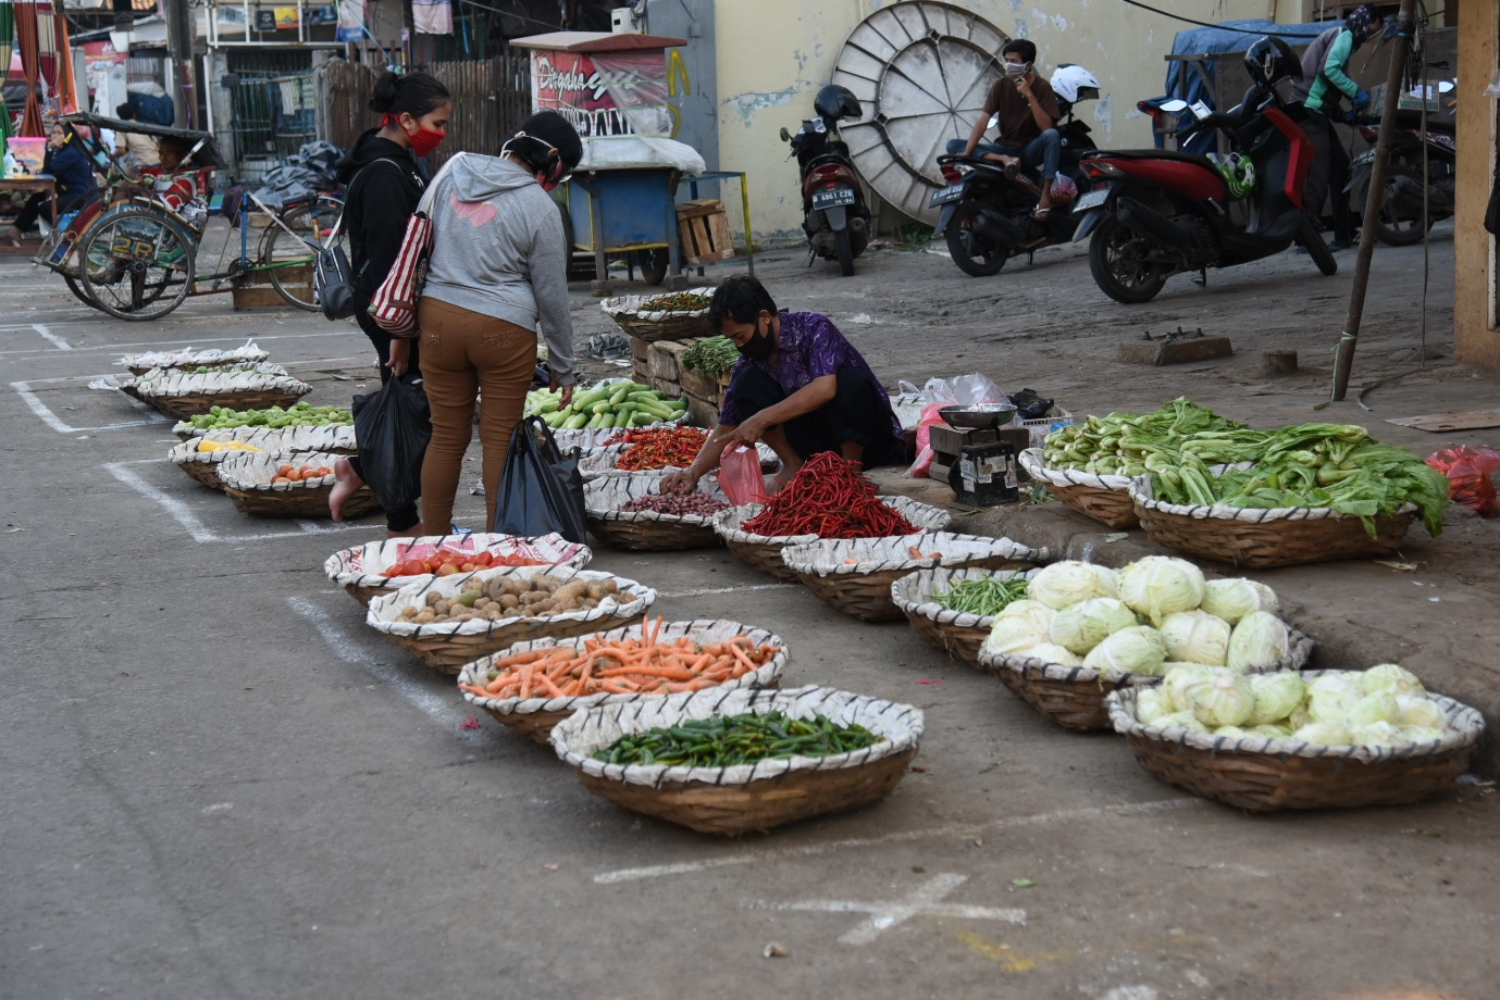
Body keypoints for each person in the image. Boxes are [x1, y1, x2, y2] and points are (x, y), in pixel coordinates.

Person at [398, 110, 581, 535]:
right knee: (500, 441)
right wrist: (562, 364)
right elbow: (552, 297)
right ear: (551, 160)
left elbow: (417, 242)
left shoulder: (453, 170)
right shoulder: (541, 207)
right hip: (504, 329)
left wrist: (405, 332)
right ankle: (499, 546)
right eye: (563, 173)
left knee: (446, 437)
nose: (558, 181)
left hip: (437, 321)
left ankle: (434, 540)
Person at [328, 70, 452, 536]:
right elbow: (385, 261)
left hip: (393, 307)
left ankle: (360, 469)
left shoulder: (395, 159)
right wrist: (400, 333)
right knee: (412, 412)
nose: (441, 135)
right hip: (388, 308)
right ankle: (401, 524)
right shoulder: (383, 173)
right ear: (405, 119)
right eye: (437, 124)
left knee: (414, 407)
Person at [662, 275, 906, 496]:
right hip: (815, 445)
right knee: (747, 384)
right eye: (733, 340)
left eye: (741, 336)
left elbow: (825, 388)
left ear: (764, 318)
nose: (739, 346)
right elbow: (728, 426)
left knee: (849, 381)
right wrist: (693, 471)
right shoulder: (751, 360)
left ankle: (850, 471)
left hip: (867, 439)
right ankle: (793, 464)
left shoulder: (814, 328)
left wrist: (762, 418)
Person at [1293, 4, 1382, 251]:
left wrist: (1345, 115)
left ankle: (1343, 235)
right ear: (1363, 22)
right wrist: (1356, 93)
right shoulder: (1344, 36)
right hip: (1309, 111)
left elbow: (1327, 84)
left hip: (1316, 111)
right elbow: (1328, 70)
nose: (1369, 37)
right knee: (1319, 175)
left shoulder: (1342, 39)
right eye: (1371, 30)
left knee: (1341, 170)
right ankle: (1305, 238)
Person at [947, 39, 1063, 220]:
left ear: (1028, 65)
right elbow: (983, 120)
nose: (1009, 65)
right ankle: (1005, 159)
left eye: (1014, 62)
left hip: (1030, 149)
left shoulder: (1042, 87)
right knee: (953, 145)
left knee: (1052, 135)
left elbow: (1046, 127)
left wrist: (1029, 96)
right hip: (1004, 148)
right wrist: (968, 152)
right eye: (1007, 60)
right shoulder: (1001, 85)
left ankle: (1045, 195)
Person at [2, 122, 98, 246]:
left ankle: (69, 233)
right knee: (36, 198)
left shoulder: (71, 152)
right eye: (53, 133)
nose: (55, 136)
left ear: (68, 136)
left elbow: (49, 169)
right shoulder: (64, 151)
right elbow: (48, 169)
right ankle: (16, 231)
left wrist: (49, 148)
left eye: (59, 133)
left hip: (82, 196)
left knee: (44, 207)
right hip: (71, 192)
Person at [113, 102, 160, 168]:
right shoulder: (143, 126)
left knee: (127, 174)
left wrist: (111, 156)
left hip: (144, 164)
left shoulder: (122, 129)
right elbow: (157, 145)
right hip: (159, 160)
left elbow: (121, 150)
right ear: (134, 115)